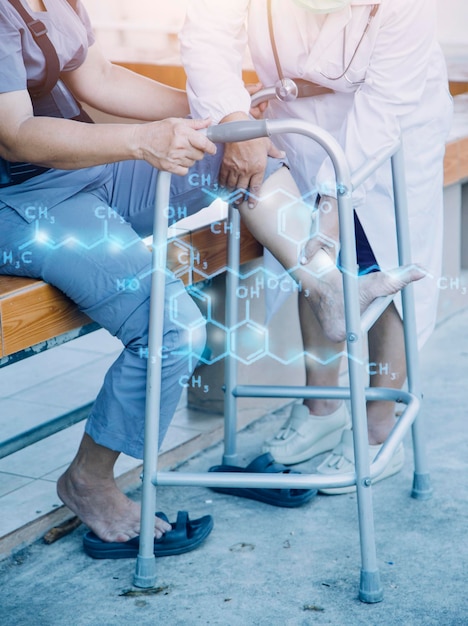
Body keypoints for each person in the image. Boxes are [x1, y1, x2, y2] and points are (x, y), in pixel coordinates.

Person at [1, 0, 421, 552]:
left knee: (251, 156)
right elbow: (14, 134)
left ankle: (324, 286)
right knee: (173, 328)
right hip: (24, 200)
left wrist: (229, 119)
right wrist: (139, 139)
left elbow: (98, 78)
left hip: (83, 171)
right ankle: (88, 479)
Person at [180, 0, 453, 492]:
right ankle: (321, 409)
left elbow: (383, 108)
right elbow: (208, 32)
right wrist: (233, 117)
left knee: (383, 266)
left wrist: (333, 203)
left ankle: (375, 427)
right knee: (310, 259)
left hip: (393, 121)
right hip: (295, 119)